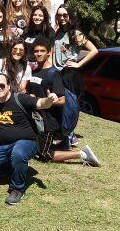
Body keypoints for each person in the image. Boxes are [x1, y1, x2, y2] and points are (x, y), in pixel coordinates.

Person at [0, 72, 58, 204]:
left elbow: (41, 103)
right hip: (1, 144)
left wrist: (49, 99)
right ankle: (14, 167)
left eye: (2, 85)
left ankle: (17, 189)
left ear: (9, 86)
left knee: (18, 153)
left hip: (26, 141)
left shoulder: (20, 99)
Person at [27, 37, 100, 167]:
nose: (38, 54)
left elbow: (62, 100)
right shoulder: (34, 72)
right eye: (36, 51)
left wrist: (42, 100)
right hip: (36, 120)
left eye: (42, 51)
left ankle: (82, 154)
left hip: (49, 123)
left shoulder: (53, 74)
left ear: (49, 52)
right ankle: (62, 145)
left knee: (44, 154)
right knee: (34, 149)